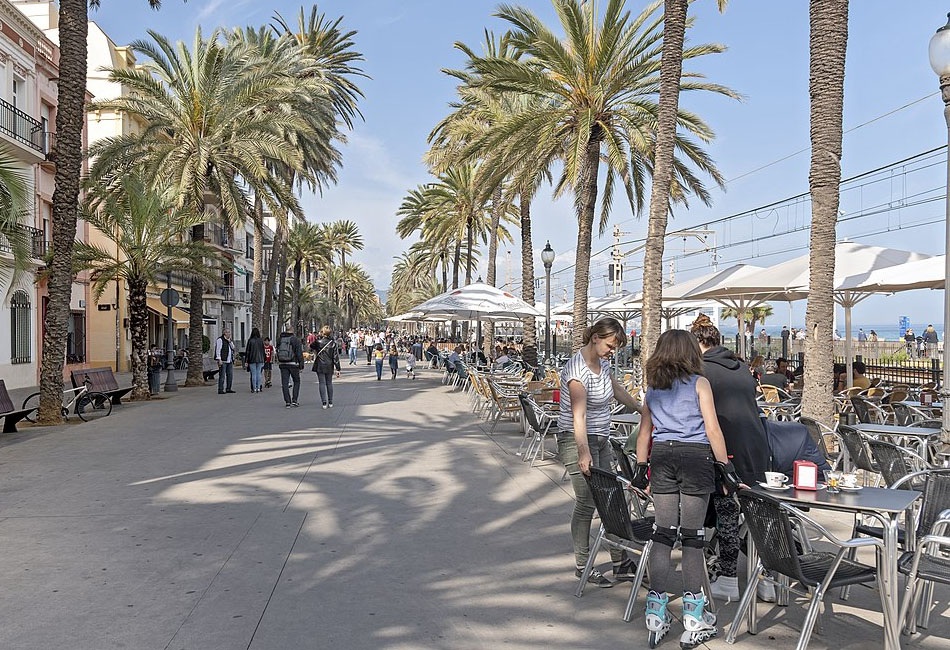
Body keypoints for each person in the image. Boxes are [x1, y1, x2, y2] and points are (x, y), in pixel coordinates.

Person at [632, 329, 739, 648]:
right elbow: (712, 428)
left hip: (662, 455)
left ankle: (656, 612)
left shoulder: (654, 387)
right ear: (691, 352)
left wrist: (640, 468)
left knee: (662, 533)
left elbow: (644, 432)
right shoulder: (699, 383)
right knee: (692, 539)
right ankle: (694, 616)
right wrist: (727, 469)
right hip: (696, 458)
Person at [690, 315, 773, 605]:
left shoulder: (700, 370)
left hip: (726, 450)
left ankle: (727, 579)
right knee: (754, 517)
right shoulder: (741, 367)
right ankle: (767, 579)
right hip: (757, 447)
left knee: (726, 513)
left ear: (698, 342)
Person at [557, 317, 641, 589]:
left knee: (612, 498)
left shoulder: (602, 365)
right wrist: (583, 452)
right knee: (587, 502)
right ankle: (583, 565)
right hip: (575, 439)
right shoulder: (577, 371)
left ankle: (620, 562)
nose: (612, 351)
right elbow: (578, 416)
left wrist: (641, 409)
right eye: (610, 345)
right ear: (596, 337)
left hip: (602, 438)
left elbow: (616, 389)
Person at [311, 326, 341, 409]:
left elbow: (311, 346)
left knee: (321, 383)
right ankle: (330, 401)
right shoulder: (333, 343)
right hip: (329, 365)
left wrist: (318, 337)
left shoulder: (318, 342)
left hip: (320, 365)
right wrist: (338, 368)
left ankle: (324, 402)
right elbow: (335, 357)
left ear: (322, 332)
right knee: (329, 383)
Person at [277, 325, 304, 407]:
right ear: (292, 330)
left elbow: (277, 350)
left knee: (284, 383)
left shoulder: (280, 339)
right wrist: (301, 365)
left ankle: (287, 401)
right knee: (296, 381)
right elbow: (299, 353)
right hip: (293, 364)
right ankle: (294, 400)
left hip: (283, 364)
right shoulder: (295, 339)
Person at [214, 328, 236, 394]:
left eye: (229, 332)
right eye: (227, 332)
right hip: (223, 360)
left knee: (230, 375)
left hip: (229, 360)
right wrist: (219, 359)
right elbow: (218, 350)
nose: (229, 334)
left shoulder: (229, 340)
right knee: (222, 375)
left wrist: (229, 341)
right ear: (224, 333)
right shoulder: (220, 340)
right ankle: (220, 389)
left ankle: (228, 388)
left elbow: (233, 347)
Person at [244, 328, 266, 393]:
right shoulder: (260, 341)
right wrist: (264, 359)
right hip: (260, 359)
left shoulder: (250, 340)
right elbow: (263, 350)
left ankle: (254, 388)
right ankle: (258, 387)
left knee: (253, 374)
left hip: (252, 359)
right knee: (259, 373)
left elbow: (247, 351)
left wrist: (246, 360)